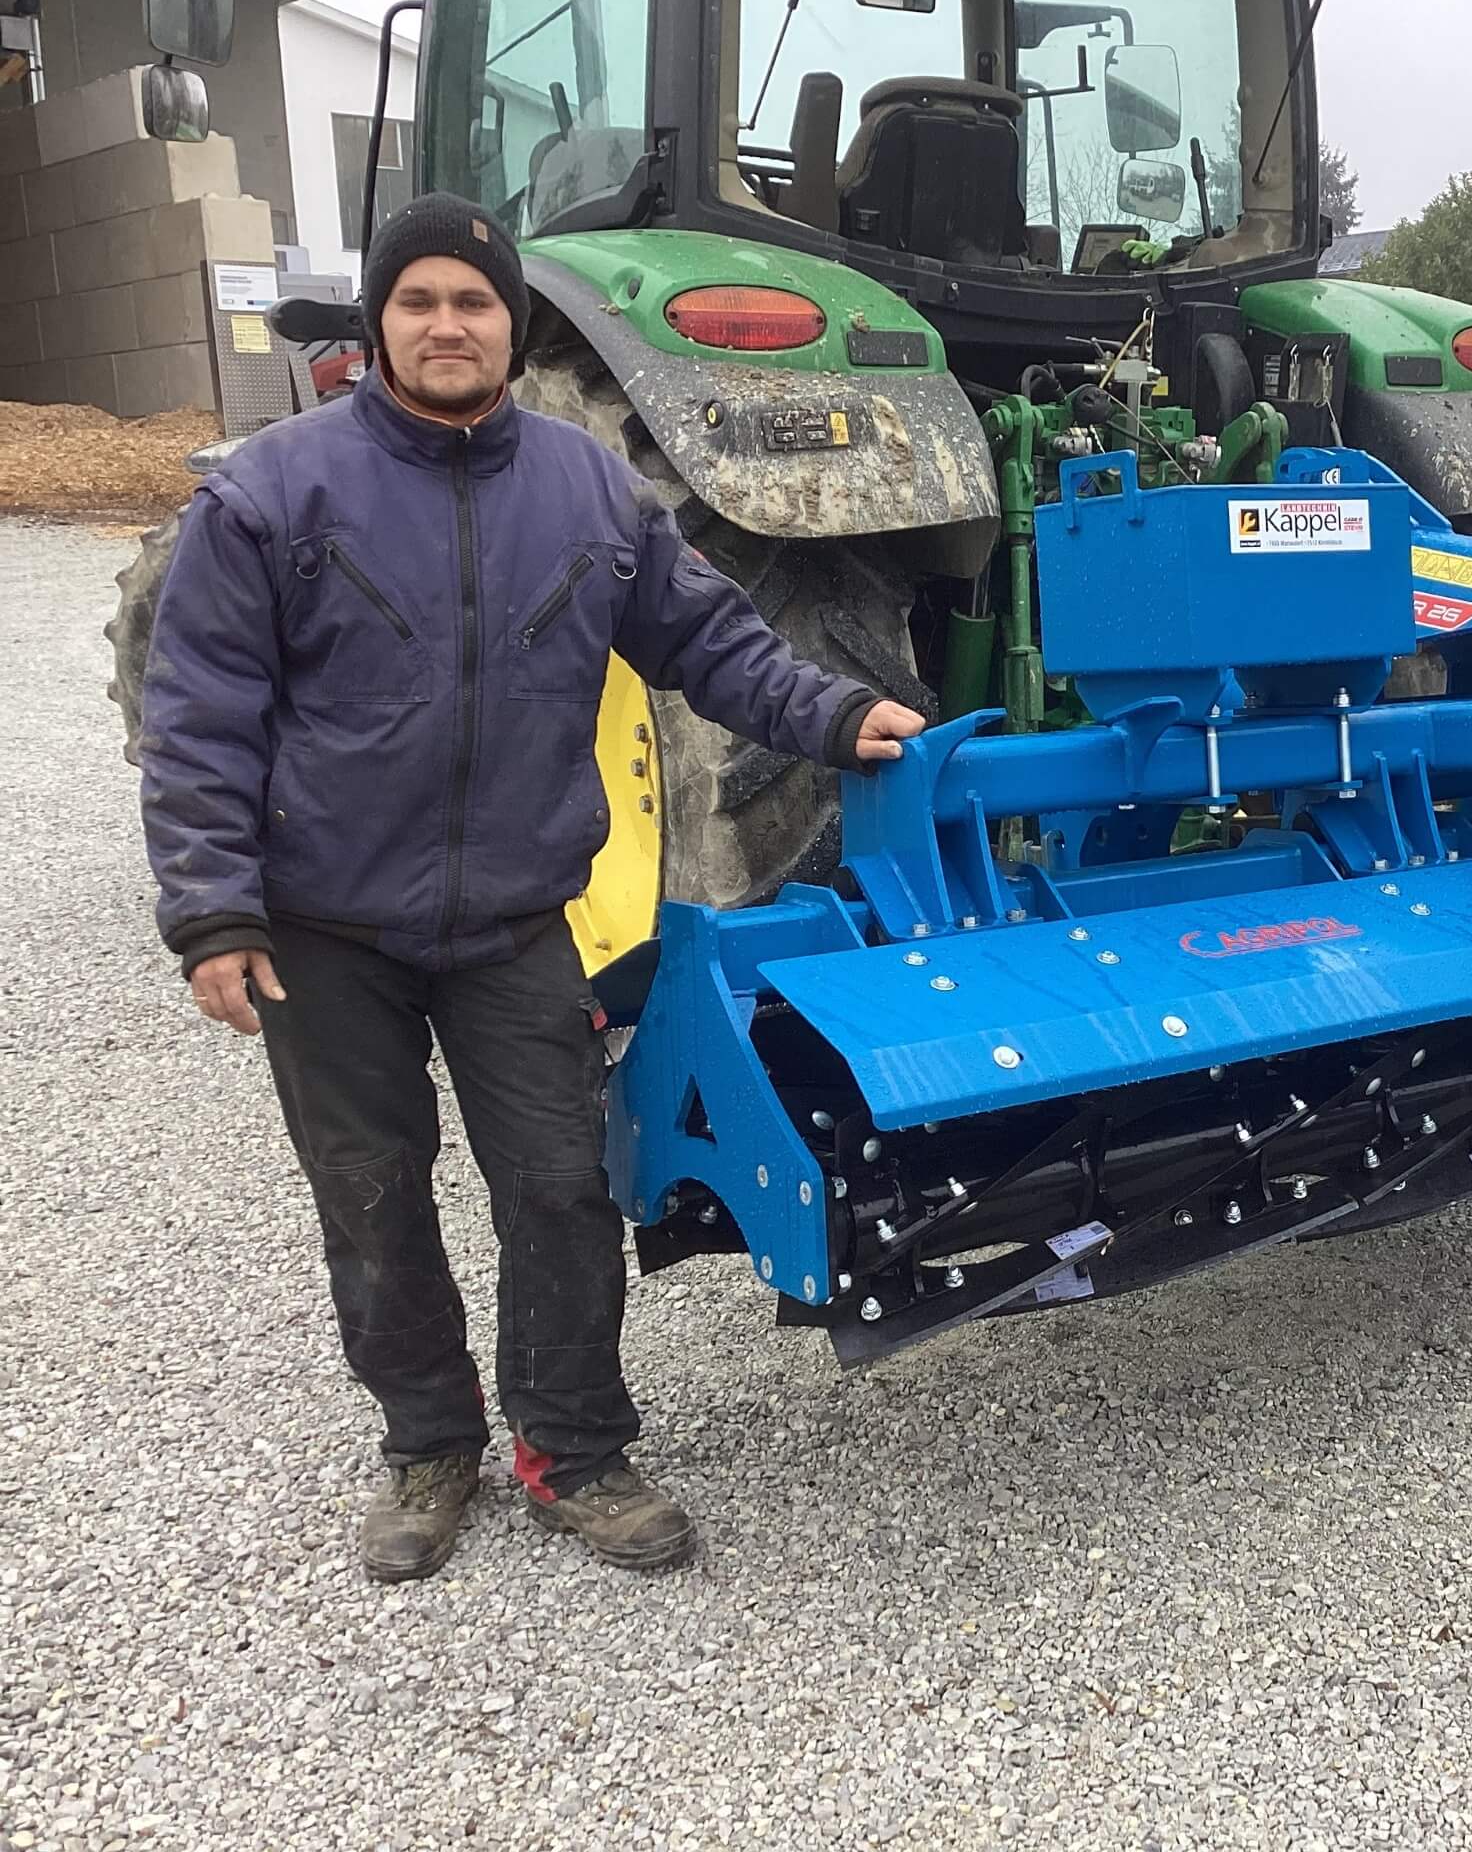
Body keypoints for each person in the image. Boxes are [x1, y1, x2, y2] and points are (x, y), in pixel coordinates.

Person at [137, 193, 924, 1582]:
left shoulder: (591, 487)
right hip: (326, 929)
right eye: (421, 300)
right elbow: (202, 712)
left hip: (512, 920)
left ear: (509, 323)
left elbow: (714, 641)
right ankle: (429, 1446)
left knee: (561, 1189)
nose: (449, 324)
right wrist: (211, 908)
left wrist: (835, 713)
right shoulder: (273, 493)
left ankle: (571, 1444)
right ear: (381, 321)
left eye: (475, 302)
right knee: (372, 1194)